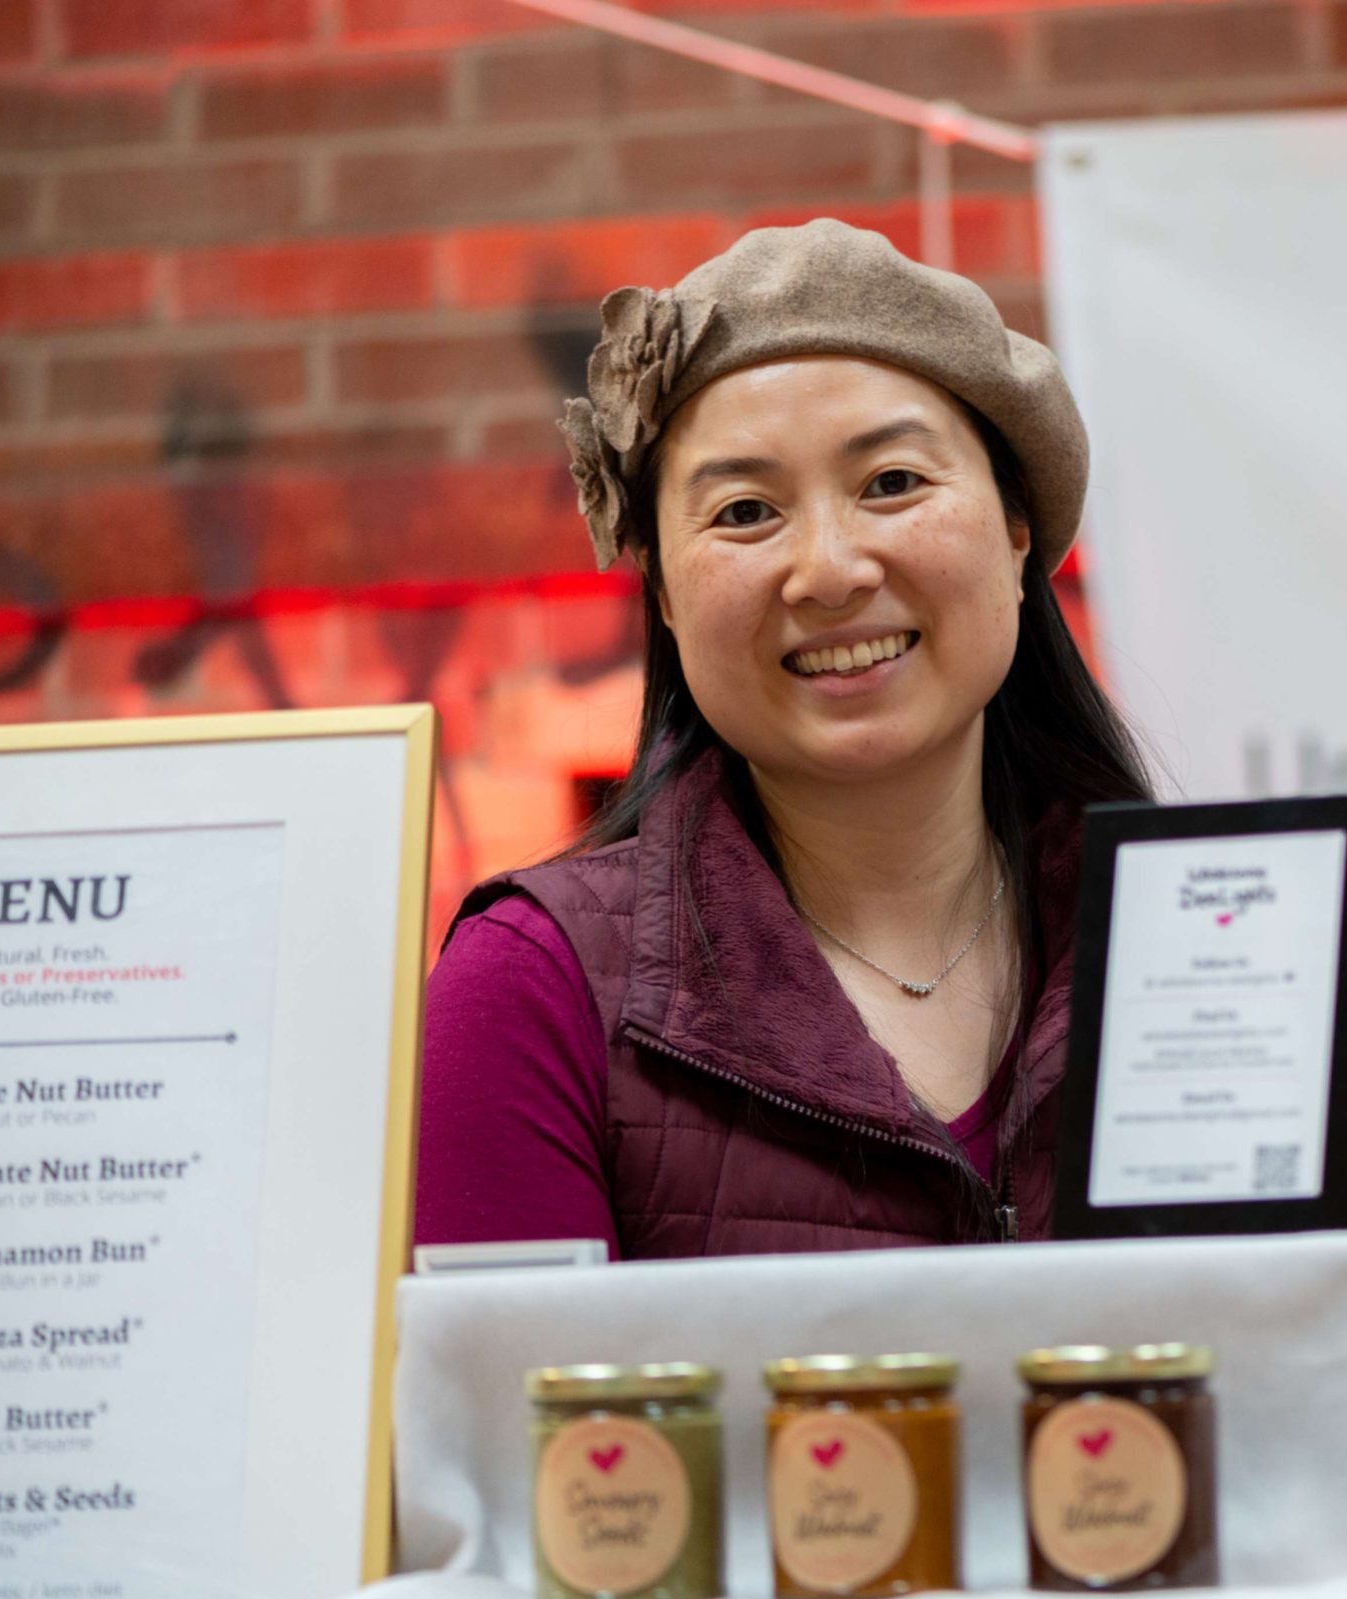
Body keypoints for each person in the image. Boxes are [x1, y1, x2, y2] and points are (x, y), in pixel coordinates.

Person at [414, 220, 1151, 1259]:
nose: (830, 570)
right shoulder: (530, 995)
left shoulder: (1194, 934)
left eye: (892, 483)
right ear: (662, 589)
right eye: (747, 510)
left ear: (1016, 525)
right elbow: (502, 1423)